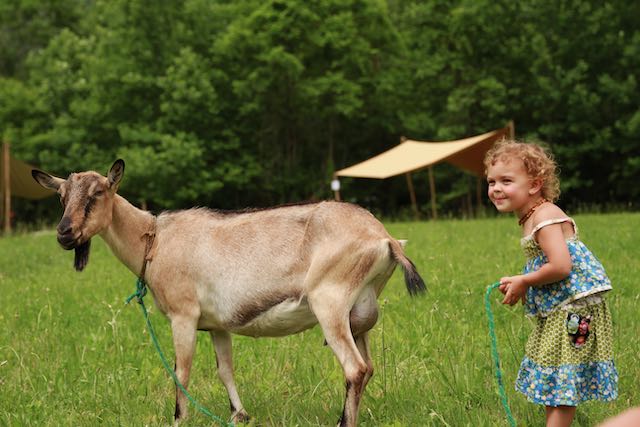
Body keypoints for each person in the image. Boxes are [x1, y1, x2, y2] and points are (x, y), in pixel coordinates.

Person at [484, 140, 618, 427]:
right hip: (562, 309)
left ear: (534, 185)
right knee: (557, 378)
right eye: (491, 181)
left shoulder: (544, 217)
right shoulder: (532, 216)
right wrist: (526, 283)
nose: (496, 188)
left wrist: (525, 280)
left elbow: (560, 266)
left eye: (506, 180)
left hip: (575, 312)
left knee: (563, 379)